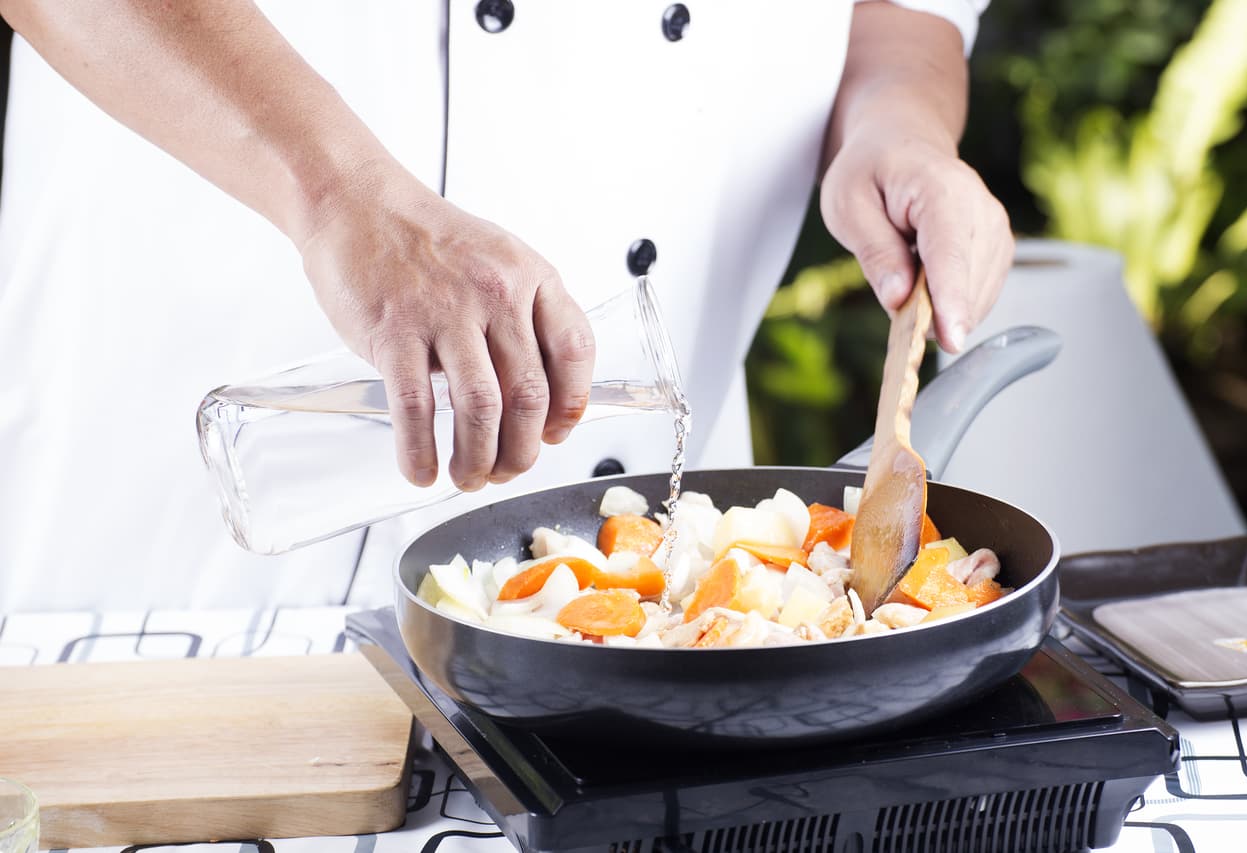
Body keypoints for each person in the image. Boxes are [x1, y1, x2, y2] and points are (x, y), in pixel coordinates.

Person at [0, 0, 1012, 611]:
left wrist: (899, 126)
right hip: (185, 559)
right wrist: (345, 195)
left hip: (664, 603)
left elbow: (901, 12)